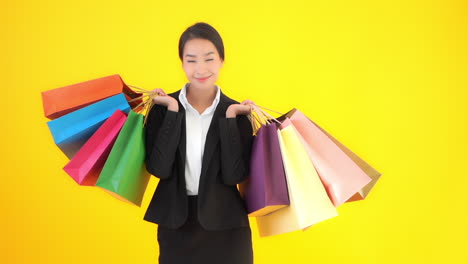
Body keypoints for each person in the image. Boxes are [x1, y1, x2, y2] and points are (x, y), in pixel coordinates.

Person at [143, 22, 256, 264]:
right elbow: (158, 169)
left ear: (222, 60)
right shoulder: (162, 108)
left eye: (209, 59)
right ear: (182, 62)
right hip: (176, 225)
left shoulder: (237, 112)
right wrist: (173, 111)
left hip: (227, 228)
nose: (200, 68)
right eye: (191, 59)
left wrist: (229, 120)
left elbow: (234, 176)